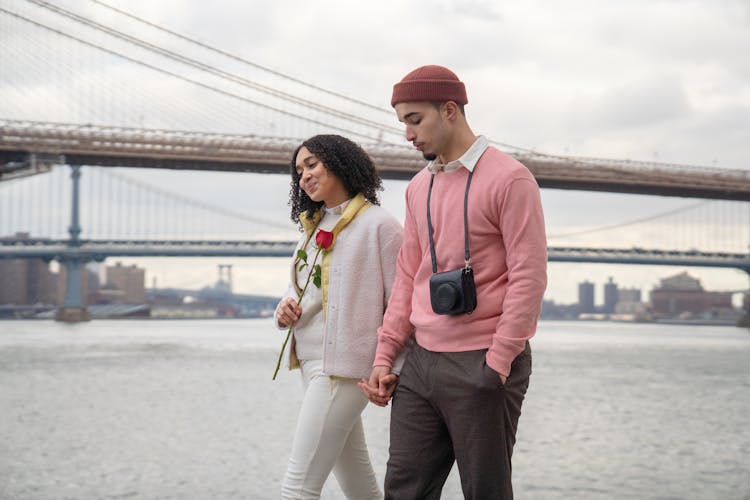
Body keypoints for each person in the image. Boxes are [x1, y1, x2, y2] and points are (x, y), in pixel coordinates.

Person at [359, 65, 548, 499]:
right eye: (402, 122)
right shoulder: (418, 187)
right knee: (403, 491)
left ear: (449, 111)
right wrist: (386, 354)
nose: (408, 134)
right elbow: (409, 275)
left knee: (484, 491)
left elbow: (529, 276)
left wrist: (498, 362)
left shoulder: (510, 179)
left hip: (482, 361)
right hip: (421, 363)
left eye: (415, 120)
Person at [274, 134, 403, 500]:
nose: (304, 177)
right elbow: (297, 289)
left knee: (298, 487)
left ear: (340, 162)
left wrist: (392, 363)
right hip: (312, 363)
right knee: (358, 482)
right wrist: (283, 308)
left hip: (346, 369)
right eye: (299, 171)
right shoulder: (310, 229)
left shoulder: (381, 226)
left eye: (312, 164)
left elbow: (401, 303)